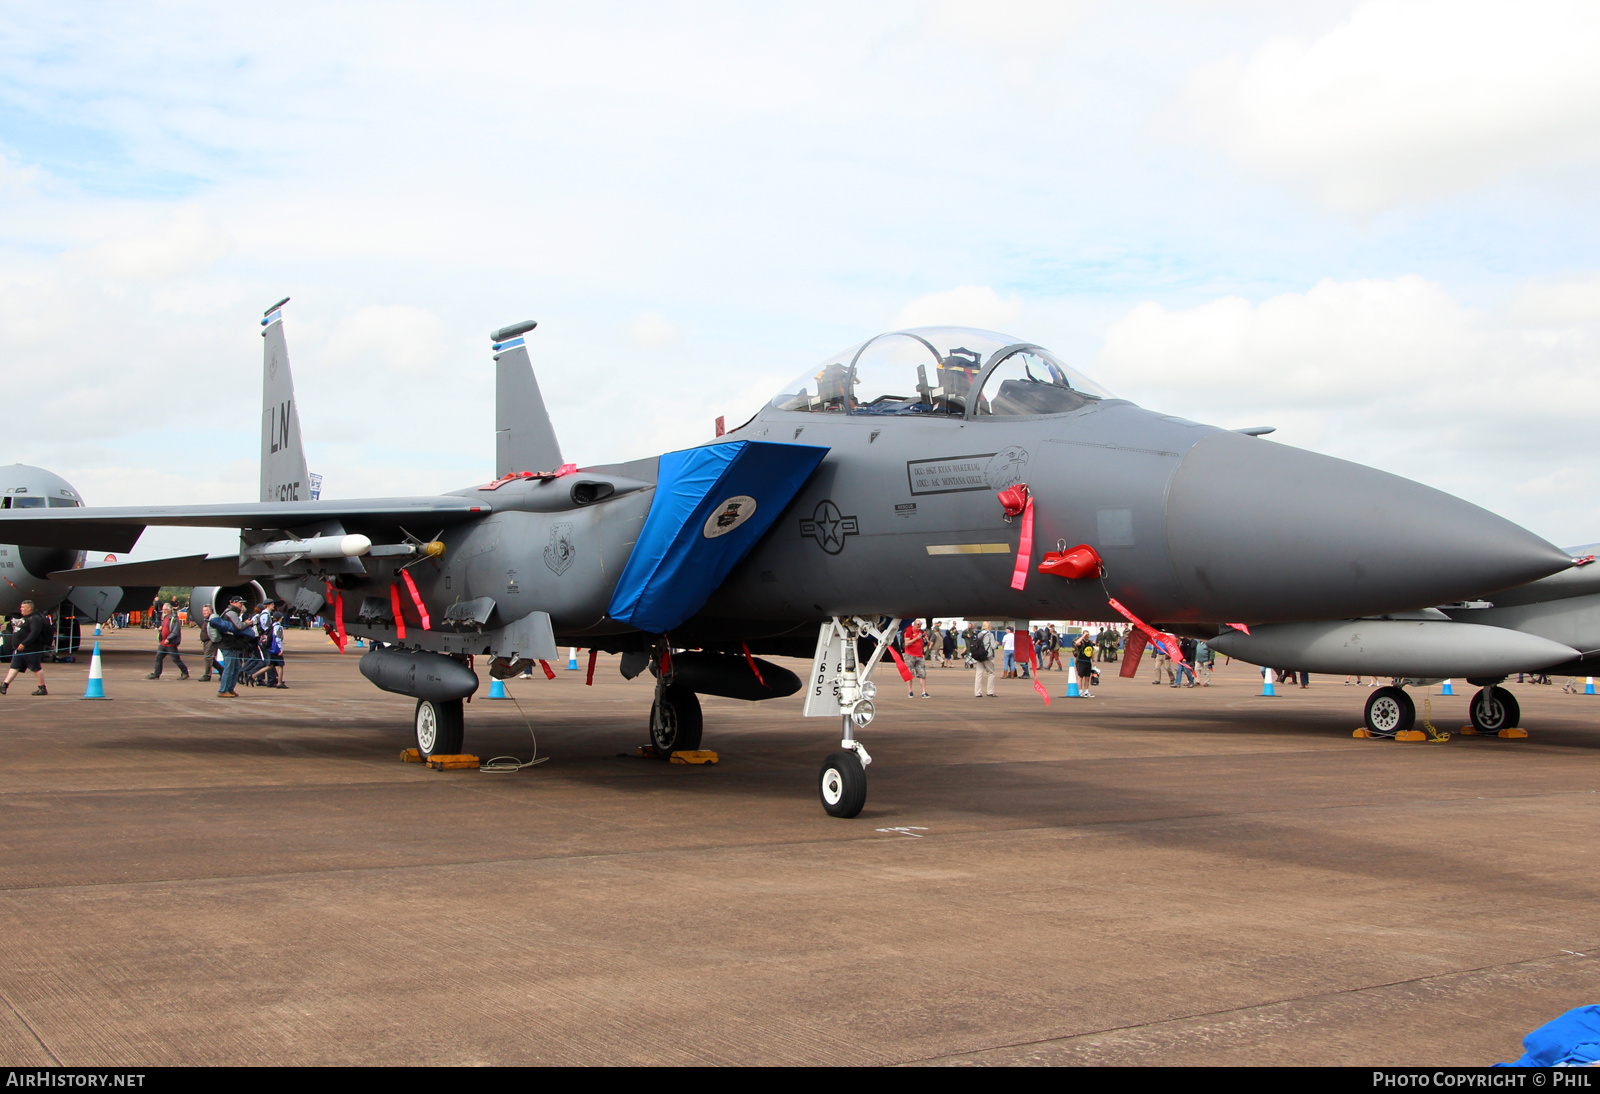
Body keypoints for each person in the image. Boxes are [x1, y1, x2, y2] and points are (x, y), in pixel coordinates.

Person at [0, 600, 52, 695]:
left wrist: (24, 643)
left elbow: (35, 633)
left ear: (29, 608)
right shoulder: (26, 618)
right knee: (14, 667)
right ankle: (4, 685)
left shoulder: (35, 618)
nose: (21, 609)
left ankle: (42, 688)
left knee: (36, 668)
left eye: (23, 607)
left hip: (31, 649)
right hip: (20, 650)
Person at [211, 596, 254, 698]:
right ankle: (223, 690)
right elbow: (239, 626)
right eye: (240, 603)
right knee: (230, 668)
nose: (241, 605)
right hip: (228, 644)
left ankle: (230, 689)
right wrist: (247, 623)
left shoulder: (230, 612)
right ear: (233, 603)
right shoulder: (231, 613)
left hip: (232, 644)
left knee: (235, 668)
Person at [146, 603, 190, 680]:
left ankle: (185, 673)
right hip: (163, 643)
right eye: (163, 610)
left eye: (165, 610)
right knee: (158, 657)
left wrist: (168, 639)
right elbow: (165, 627)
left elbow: (175, 631)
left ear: (170, 610)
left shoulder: (174, 618)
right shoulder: (164, 617)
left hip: (170, 643)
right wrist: (161, 628)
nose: (164, 611)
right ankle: (156, 674)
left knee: (175, 659)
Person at [968, 622, 997, 697]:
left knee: (979, 674)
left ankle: (977, 692)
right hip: (987, 656)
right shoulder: (990, 634)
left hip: (979, 656)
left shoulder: (979, 634)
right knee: (991, 673)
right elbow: (993, 646)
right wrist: (997, 644)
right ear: (988, 626)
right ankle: (990, 691)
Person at [903, 619, 929, 697]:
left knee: (922, 674)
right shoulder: (909, 631)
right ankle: (910, 691)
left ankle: (924, 692)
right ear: (914, 625)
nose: (919, 627)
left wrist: (926, 640)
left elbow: (928, 643)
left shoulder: (922, 632)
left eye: (920, 625)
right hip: (910, 655)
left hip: (919, 655)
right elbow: (907, 643)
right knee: (910, 674)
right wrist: (916, 638)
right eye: (917, 625)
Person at [196, 605, 220, 681]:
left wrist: (213, 640)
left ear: (210, 611)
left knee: (208, 658)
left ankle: (207, 675)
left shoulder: (211, 620)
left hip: (210, 641)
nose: (204, 612)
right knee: (211, 659)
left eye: (206, 610)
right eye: (203, 611)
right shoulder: (207, 620)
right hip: (206, 641)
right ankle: (222, 671)